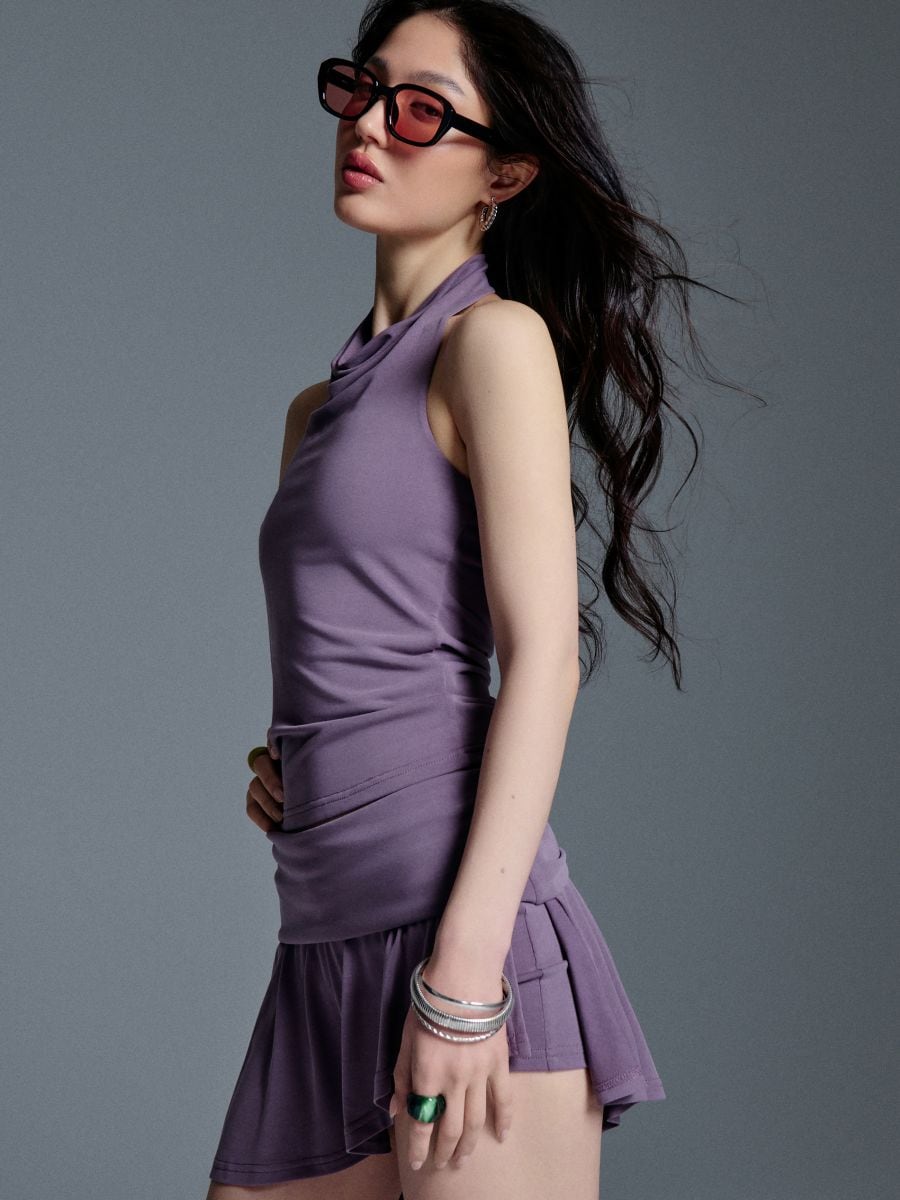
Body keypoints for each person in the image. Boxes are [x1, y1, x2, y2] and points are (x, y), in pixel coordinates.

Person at [207, 2, 751, 1196]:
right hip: (319, 936)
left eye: (421, 110)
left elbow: (544, 657)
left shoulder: (492, 342)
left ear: (504, 172)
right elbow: (368, 637)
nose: (367, 125)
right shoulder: (314, 412)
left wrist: (462, 982)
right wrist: (293, 767)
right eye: (361, 89)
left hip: (460, 938)